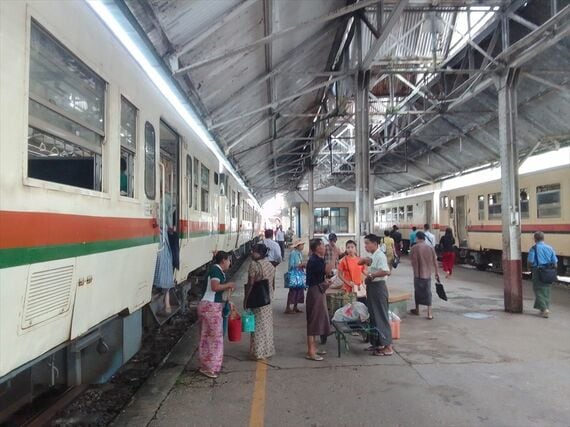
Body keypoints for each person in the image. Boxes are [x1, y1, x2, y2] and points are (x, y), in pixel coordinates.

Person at [198, 251, 236, 379]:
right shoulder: (216, 270)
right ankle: (211, 368)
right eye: (228, 260)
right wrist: (229, 285)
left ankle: (205, 366)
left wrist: (227, 301)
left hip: (207, 305)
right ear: (223, 260)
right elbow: (215, 287)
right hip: (211, 307)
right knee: (215, 339)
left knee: (206, 338)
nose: (229, 263)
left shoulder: (215, 270)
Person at [359, 234, 393, 356]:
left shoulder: (380, 255)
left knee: (381, 316)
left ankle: (388, 346)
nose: (366, 246)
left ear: (374, 243)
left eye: (367, 243)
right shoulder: (373, 256)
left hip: (378, 288)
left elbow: (386, 271)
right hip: (372, 288)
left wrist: (372, 276)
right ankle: (377, 343)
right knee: (374, 316)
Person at [245, 243, 276, 360]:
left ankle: (258, 352)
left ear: (260, 253)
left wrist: (246, 299)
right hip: (268, 298)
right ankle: (267, 350)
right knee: (267, 325)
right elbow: (272, 284)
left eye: (254, 251)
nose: (252, 253)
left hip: (257, 299)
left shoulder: (254, 265)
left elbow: (250, 284)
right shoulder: (270, 265)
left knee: (257, 326)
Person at [305, 238, 334, 361]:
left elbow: (323, 274)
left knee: (317, 320)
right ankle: (311, 351)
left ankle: (314, 348)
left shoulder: (317, 259)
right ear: (317, 248)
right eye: (322, 245)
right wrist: (335, 255)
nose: (324, 247)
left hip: (317, 291)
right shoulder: (314, 260)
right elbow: (327, 270)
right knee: (313, 321)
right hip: (315, 293)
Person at [409, 231, 440, 320]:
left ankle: (417, 309)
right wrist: (437, 273)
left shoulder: (414, 248)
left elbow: (411, 259)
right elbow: (435, 261)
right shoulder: (430, 248)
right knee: (428, 293)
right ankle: (429, 313)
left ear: (417, 238)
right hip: (427, 274)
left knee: (417, 292)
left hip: (417, 274)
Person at [527, 231, 558, 318]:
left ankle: (545, 309)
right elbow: (555, 263)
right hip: (549, 271)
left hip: (538, 271)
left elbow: (530, 261)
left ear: (535, 239)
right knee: (546, 290)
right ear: (543, 238)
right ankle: (542, 309)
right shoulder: (550, 248)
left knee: (538, 290)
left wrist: (529, 268)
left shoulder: (534, 248)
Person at [337, 240, 367, 304]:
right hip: (348, 288)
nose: (350, 249)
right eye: (348, 247)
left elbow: (364, 271)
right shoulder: (343, 260)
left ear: (355, 248)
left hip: (359, 288)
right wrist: (348, 283)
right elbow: (339, 274)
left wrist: (371, 275)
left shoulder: (360, 259)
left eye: (352, 247)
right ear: (346, 249)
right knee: (349, 309)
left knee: (361, 307)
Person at [285, 239, 306, 314]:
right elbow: (291, 265)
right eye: (301, 245)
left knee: (299, 291)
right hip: (294, 274)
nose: (303, 246)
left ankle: (295, 307)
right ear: (297, 246)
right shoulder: (293, 253)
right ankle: (288, 307)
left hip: (299, 273)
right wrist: (301, 265)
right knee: (293, 291)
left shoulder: (300, 253)